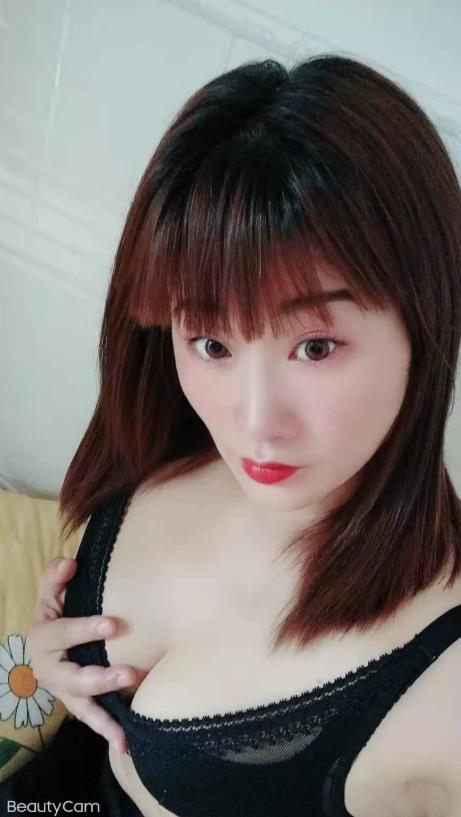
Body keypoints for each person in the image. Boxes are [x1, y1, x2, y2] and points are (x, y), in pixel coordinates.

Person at [13, 52, 461, 817]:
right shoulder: (169, 446)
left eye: (314, 346)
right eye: (212, 342)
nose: (252, 420)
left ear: (424, 323)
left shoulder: (439, 690)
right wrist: (52, 661)